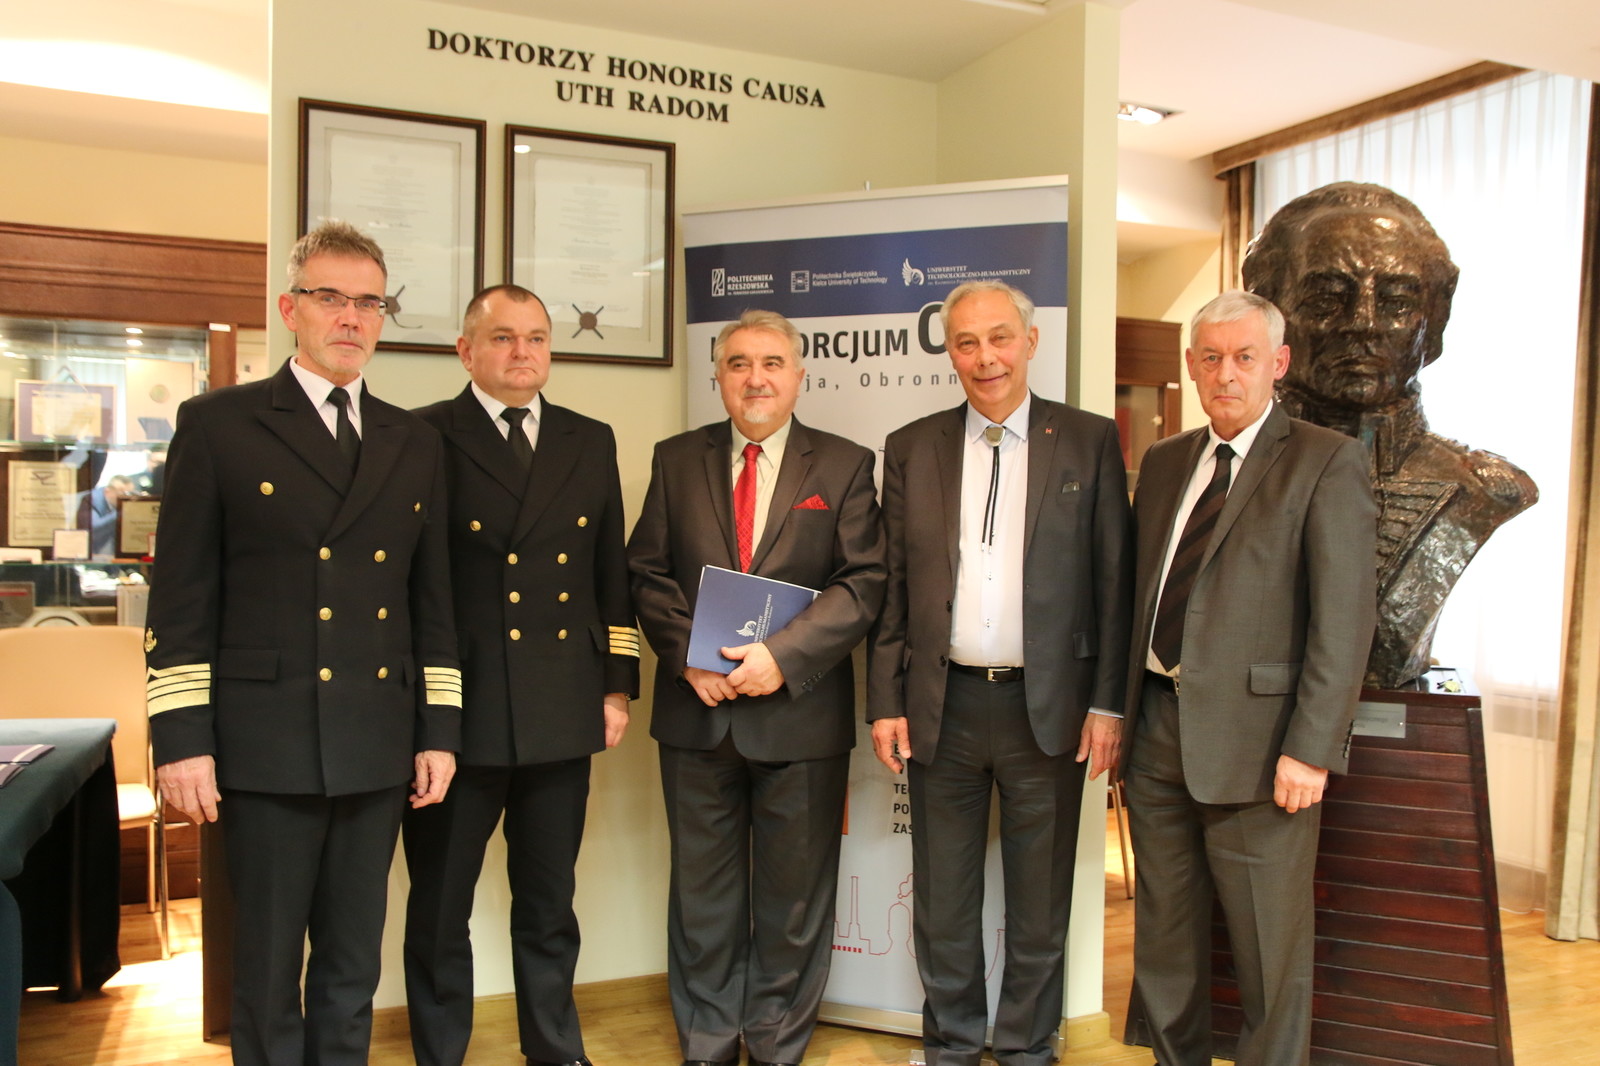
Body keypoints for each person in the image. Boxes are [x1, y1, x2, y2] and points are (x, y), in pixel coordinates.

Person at [143, 220, 462, 1066]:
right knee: (267, 969)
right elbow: (181, 599)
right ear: (291, 309)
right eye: (330, 298)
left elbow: (432, 602)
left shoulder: (412, 439)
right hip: (264, 743)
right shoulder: (219, 424)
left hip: (375, 739)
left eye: (370, 302)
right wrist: (181, 740)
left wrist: (439, 730)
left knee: (353, 966)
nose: (351, 318)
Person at [866, 280, 1133, 1066]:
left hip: (1048, 711)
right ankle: (950, 1046)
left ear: (1030, 341)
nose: (985, 358)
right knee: (943, 902)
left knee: (1040, 904)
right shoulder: (911, 447)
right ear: (949, 351)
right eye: (966, 342)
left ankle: (1024, 1051)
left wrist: (1109, 705)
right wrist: (884, 700)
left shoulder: (1087, 440)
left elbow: (1114, 582)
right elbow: (892, 587)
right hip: (940, 706)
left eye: (999, 338)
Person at [1120, 290, 1376, 1066]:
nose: (1225, 374)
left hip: (1264, 752)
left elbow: (1343, 620)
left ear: (1278, 363)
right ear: (1191, 366)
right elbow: (1138, 595)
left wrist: (1312, 749)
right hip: (1156, 733)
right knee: (1164, 945)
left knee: (1270, 956)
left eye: (1243, 357)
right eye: (1210, 358)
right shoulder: (1166, 462)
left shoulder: (1325, 460)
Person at [627, 309, 885, 1066]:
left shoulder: (844, 465)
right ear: (718, 377)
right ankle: (708, 1042)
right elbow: (646, 571)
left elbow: (863, 582)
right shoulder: (676, 459)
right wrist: (689, 657)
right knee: (701, 897)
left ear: (799, 376)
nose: (756, 378)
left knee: (793, 900)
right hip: (697, 713)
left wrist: (782, 656)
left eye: (772, 363)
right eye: (739, 363)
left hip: (798, 715)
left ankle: (774, 1043)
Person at [402, 284, 639, 1066]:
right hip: (457, 714)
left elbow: (609, 572)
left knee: (548, 904)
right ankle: (441, 1052)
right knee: (441, 906)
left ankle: (555, 1050)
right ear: (466, 351)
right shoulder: (423, 436)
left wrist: (615, 684)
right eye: (503, 337)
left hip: (559, 704)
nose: (522, 352)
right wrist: (426, 713)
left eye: (536, 337)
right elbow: (414, 585)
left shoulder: (588, 438)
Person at [1242, 182, 1536, 686]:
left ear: (1436, 319)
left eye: (1397, 301)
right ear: (1269, 316)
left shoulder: (1484, 488)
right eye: (1327, 299)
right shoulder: (1223, 473)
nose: (1364, 324)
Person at [76, 474, 135, 556]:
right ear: (108, 491)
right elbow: (94, 529)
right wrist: (121, 512)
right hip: (87, 551)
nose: (127, 499)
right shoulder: (92, 500)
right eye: (123, 494)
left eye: (130, 494)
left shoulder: (115, 503)